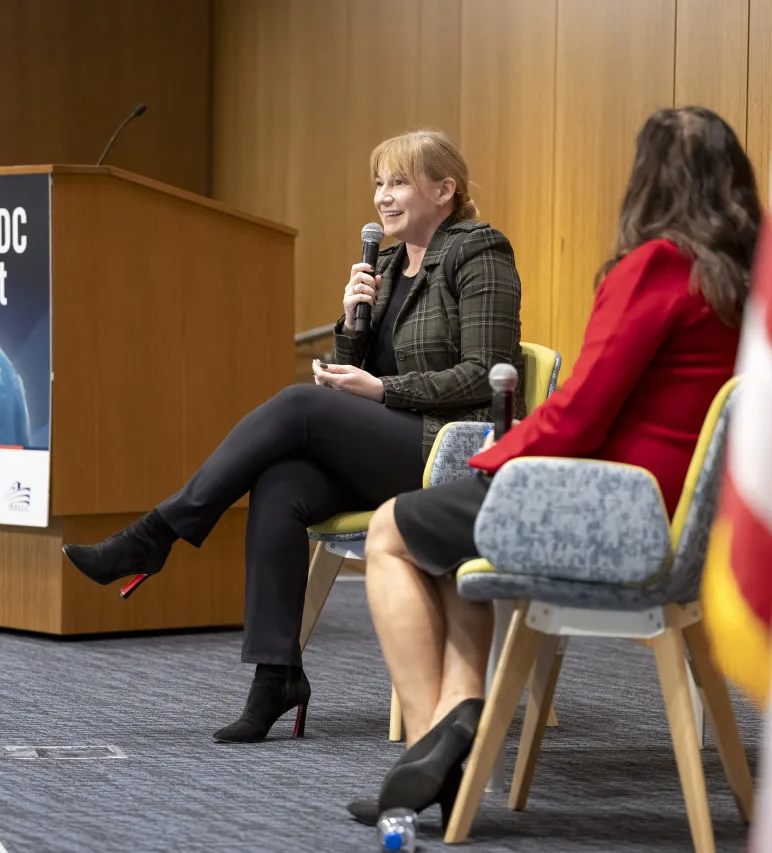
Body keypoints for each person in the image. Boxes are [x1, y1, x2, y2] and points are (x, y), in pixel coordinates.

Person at [348, 106, 762, 823]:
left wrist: (492, 460)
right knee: (450, 540)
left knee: (392, 530)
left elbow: (580, 412)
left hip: (606, 506)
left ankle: (424, 752)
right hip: (683, 517)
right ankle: (459, 725)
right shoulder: (749, 282)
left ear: (648, 183)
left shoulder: (657, 266)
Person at [62, 129, 524, 744]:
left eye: (400, 182)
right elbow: (355, 374)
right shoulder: (383, 264)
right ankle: (276, 674)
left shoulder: (478, 250)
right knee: (281, 484)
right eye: (379, 184)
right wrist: (350, 327)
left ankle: (156, 533)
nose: (384, 198)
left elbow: (484, 373)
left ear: (445, 190)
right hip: (388, 442)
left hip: (445, 449)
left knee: (299, 407)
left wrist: (381, 391)